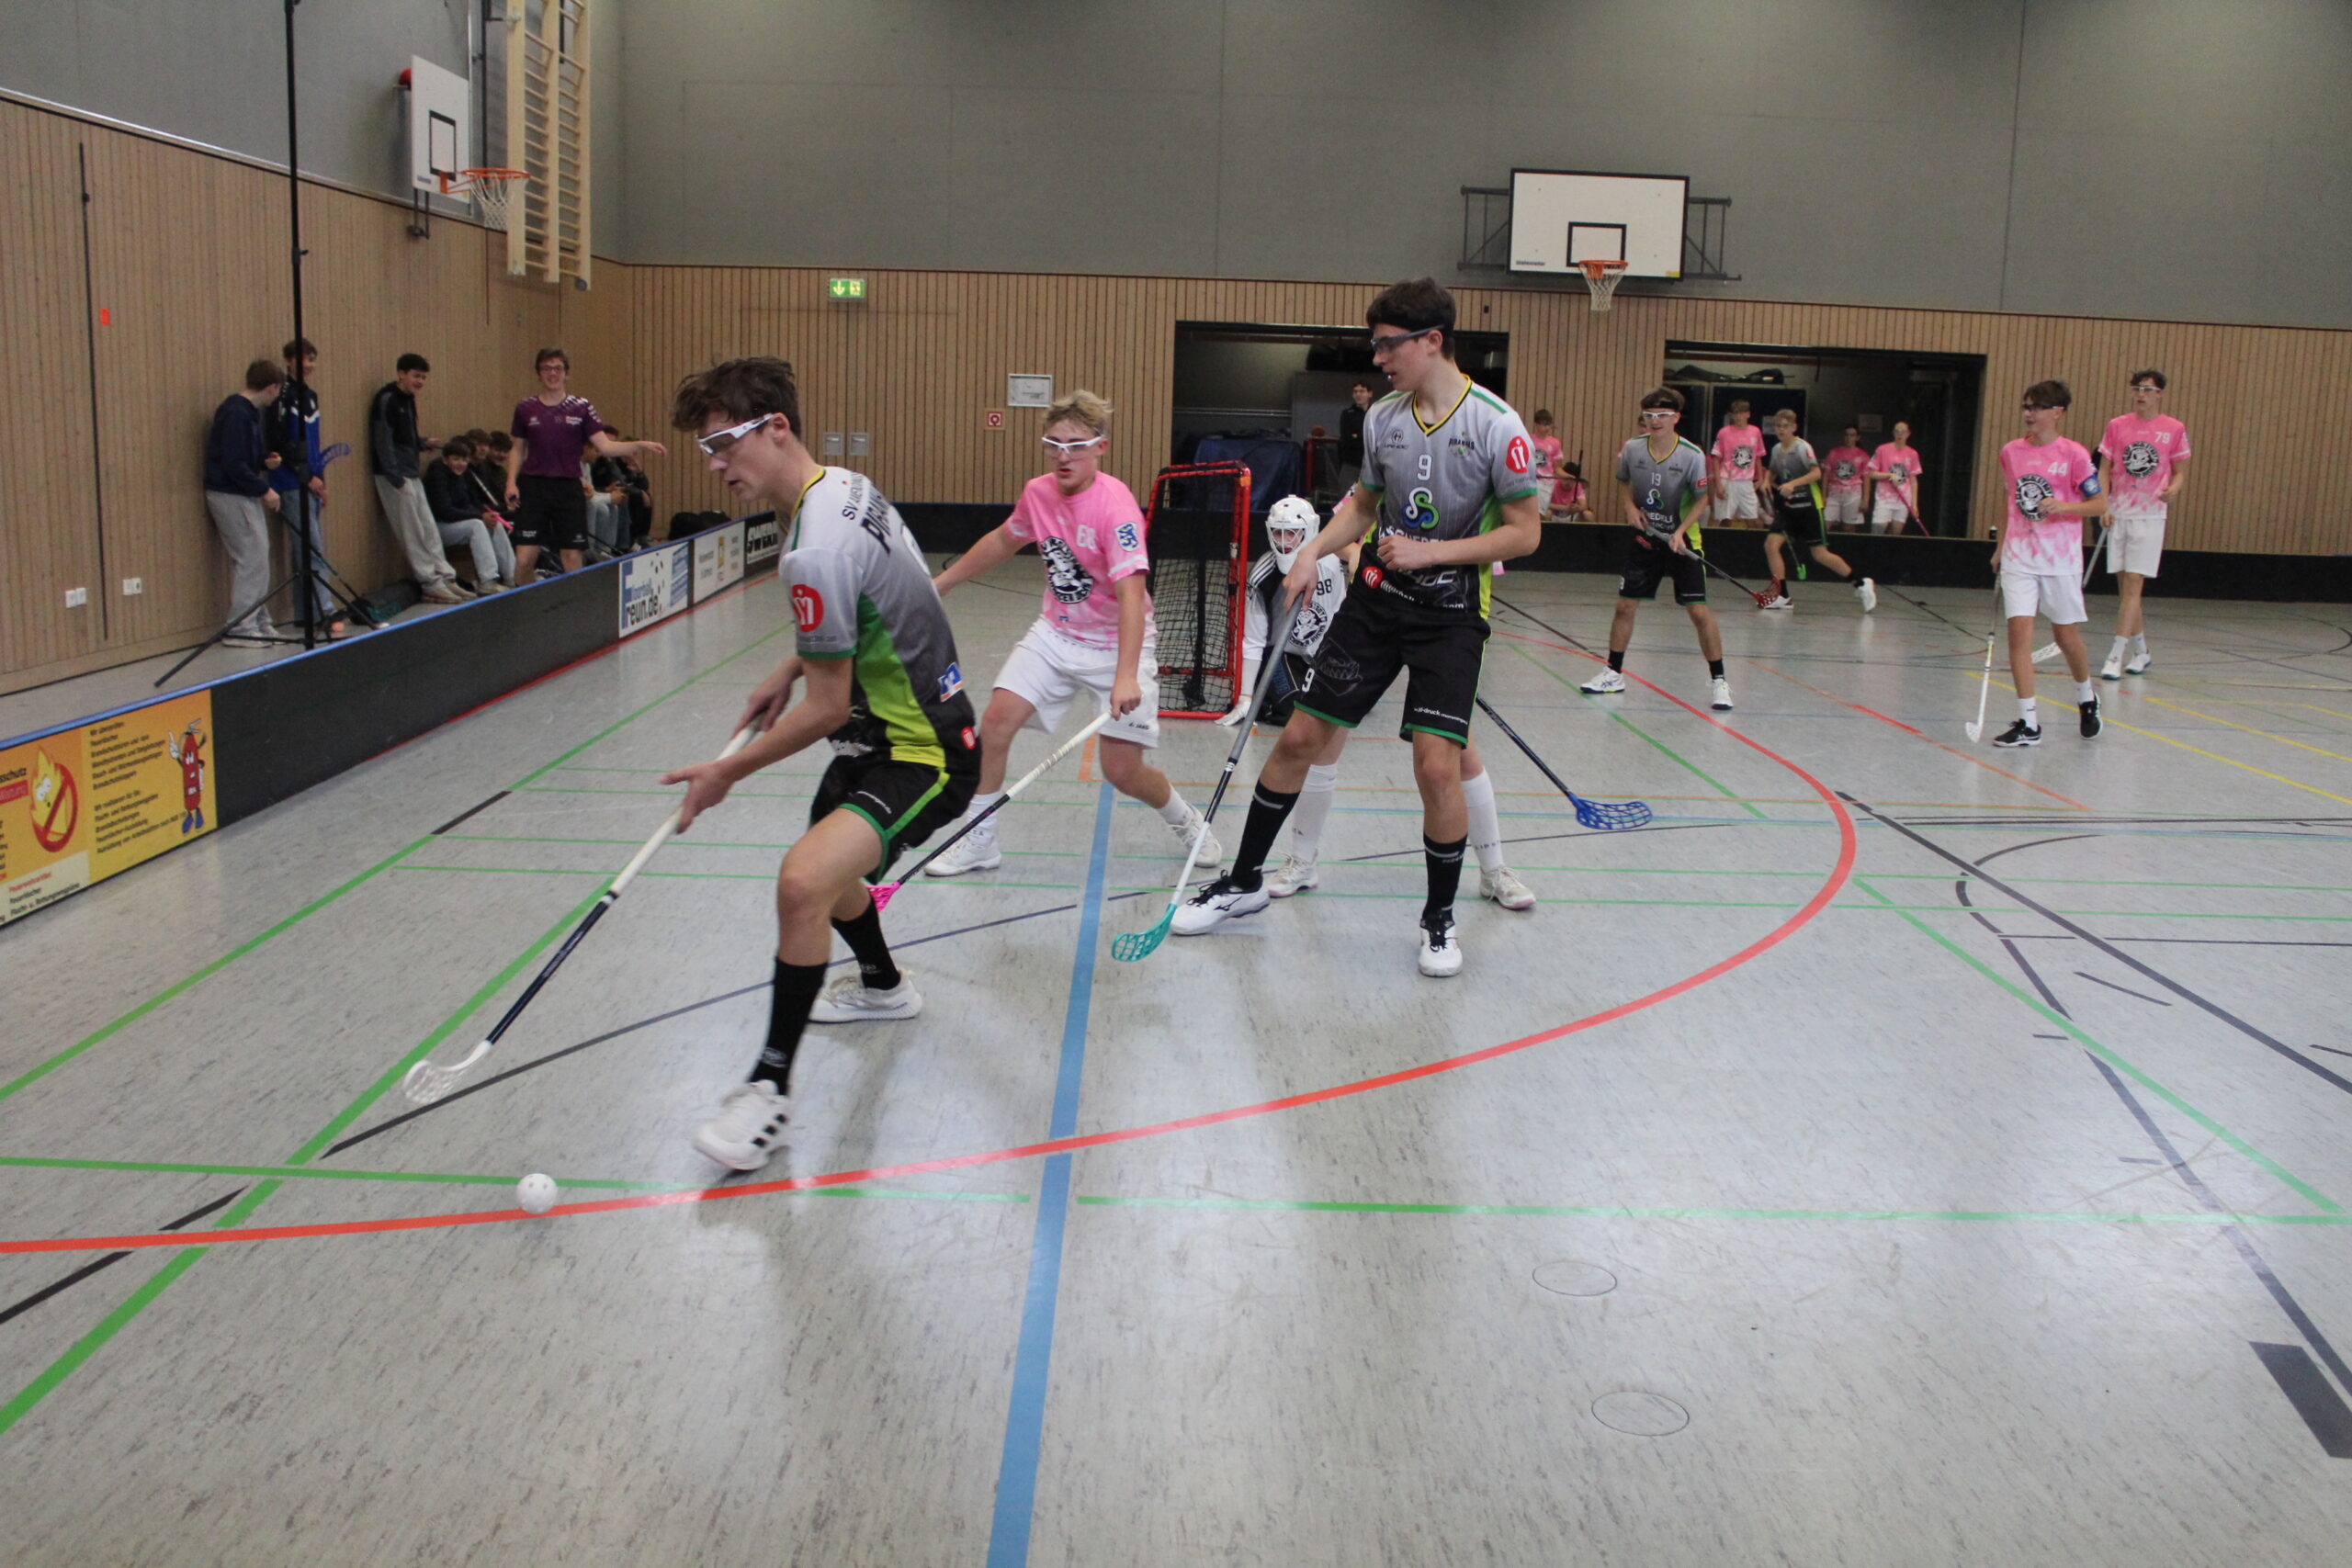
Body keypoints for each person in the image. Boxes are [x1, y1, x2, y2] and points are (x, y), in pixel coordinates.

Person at [659, 357, 980, 1171]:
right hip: (875, 738)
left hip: (924, 751)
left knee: (803, 882)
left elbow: (828, 707)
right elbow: (874, 606)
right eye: (706, 450)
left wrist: (725, 772)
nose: (716, 464)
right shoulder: (844, 488)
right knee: (833, 884)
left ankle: (767, 1089)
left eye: (724, 443)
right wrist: (790, 664)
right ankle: (884, 986)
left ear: (776, 427)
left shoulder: (813, 546)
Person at [1170, 277, 1543, 976]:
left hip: (1451, 616)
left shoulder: (1497, 426)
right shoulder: (1382, 420)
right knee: (1300, 737)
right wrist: (1311, 552)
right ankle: (1244, 881)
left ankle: (1438, 920)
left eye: (1389, 345)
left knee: (1437, 765)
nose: (1378, 358)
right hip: (1375, 603)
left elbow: (1525, 533)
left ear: (1432, 341)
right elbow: (1364, 508)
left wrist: (1433, 553)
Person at [923, 390, 1219, 877]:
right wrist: (945, 583)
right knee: (994, 725)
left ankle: (1185, 819)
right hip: (1056, 634)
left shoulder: (1115, 508)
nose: (1064, 456)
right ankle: (979, 841)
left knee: (1122, 772)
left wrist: (1126, 675)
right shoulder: (1038, 492)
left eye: (1076, 446)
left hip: (1116, 645)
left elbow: (1131, 597)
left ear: (1100, 447)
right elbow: (1004, 538)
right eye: (1054, 444)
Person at [1225, 497, 1537, 911]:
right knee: (1323, 740)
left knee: (1458, 755)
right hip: (1374, 613)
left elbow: (1507, 541)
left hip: (1443, 621)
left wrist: (1429, 557)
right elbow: (1349, 518)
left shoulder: (1473, 486)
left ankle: (1494, 870)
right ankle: (1302, 860)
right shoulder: (1387, 466)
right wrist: (1355, 552)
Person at [1581, 388, 1734, 711]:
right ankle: (1613, 673)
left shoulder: (1692, 455)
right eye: (1650, 415)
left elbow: (1703, 499)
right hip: (1646, 539)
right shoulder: (1633, 448)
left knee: (1698, 612)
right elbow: (1623, 480)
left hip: (1683, 542)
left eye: (1663, 415)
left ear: (1676, 417)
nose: (1655, 421)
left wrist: (1680, 531)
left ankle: (1719, 681)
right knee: (1625, 606)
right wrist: (1629, 507)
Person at [1991, 379, 2109, 747]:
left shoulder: (2074, 454)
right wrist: (2001, 546)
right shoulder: (2011, 452)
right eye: (2026, 407)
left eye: (2038, 407)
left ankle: (2087, 698)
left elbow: (2099, 504)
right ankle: (2029, 722)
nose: (2029, 414)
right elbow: (2011, 501)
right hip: (2020, 556)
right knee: (2018, 635)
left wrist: (2064, 506)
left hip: (2060, 560)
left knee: (2065, 636)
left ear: (2058, 412)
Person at [507, 348, 667, 580]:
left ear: (566, 373)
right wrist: (511, 482)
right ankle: (523, 599)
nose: (552, 373)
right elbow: (518, 449)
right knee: (524, 560)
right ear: (538, 374)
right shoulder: (525, 408)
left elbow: (605, 446)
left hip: (568, 488)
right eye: (546, 368)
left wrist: (639, 445)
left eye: (558, 368)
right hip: (533, 487)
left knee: (572, 557)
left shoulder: (581, 407)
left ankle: (575, 599)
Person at [2098, 369, 2191, 679]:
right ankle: (2141, 651)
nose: (2141, 394)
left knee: (2135, 582)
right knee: (2126, 587)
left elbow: (2180, 472)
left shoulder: (2173, 429)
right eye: (2137, 388)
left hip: (2150, 515)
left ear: (2159, 394)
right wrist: (2104, 504)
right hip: (2119, 512)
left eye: (2148, 389)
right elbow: (2104, 470)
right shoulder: (2117, 425)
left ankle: (2115, 654)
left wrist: (2174, 489)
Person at [368, 354, 469, 605]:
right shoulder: (387, 399)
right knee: (412, 532)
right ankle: (429, 582)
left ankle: (445, 576)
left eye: (423, 377)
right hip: (395, 476)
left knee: (428, 528)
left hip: (410, 472)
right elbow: (383, 440)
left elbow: (404, 437)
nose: (420, 381)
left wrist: (422, 443)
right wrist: (395, 478)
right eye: (416, 376)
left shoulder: (408, 399)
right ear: (401, 373)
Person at [203, 357, 286, 645]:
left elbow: (242, 455)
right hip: (230, 494)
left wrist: (263, 460)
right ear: (272, 387)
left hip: (241, 492)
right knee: (251, 559)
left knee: (259, 558)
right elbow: (233, 463)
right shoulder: (236, 413)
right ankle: (240, 628)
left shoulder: (247, 413)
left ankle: (258, 620)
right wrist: (264, 489)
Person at [1758, 410, 1875, 612]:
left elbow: (1816, 473)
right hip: (1789, 509)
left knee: (1820, 554)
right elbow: (1774, 471)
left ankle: (1861, 583)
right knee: (1771, 544)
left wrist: (1793, 484)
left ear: (1794, 427)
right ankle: (1783, 595)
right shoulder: (1777, 449)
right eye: (1777, 426)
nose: (1781, 430)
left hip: (1809, 507)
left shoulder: (1802, 448)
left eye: (1785, 426)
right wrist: (1766, 481)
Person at [267, 337, 345, 636]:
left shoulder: (311, 396)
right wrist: (304, 476)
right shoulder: (282, 396)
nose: (309, 365)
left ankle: (305, 613)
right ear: (289, 361)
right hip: (290, 482)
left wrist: (320, 479)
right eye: (304, 359)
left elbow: (314, 444)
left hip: (311, 482)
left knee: (307, 548)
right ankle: (324, 609)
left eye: (312, 359)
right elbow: (280, 443)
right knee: (312, 548)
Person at [422, 437, 514, 592]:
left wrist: (486, 514)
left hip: (455, 524)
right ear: (445, 459)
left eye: (464, 460)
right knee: (476, 525)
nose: (461, 464)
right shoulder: (437, 476)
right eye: (456, 459)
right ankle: (488, 581)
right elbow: (445, 512)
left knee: (494, 522)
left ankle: (511, 576)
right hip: (437, 527)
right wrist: (480, 516)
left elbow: (468, 505)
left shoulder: (460, 476)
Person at [591, 444, 655, 551]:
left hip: (607, 493)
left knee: (643, 495)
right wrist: (609, 461)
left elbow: (643, 486)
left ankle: (641, 536)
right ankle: (624, 544)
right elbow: (618, 482)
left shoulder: (624, 464)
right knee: (631, 497)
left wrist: (639, 472)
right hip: (601, 492)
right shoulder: (606, 462)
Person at [1712, 400, 1766, 527]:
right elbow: (1716, 458)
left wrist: (1760, 478)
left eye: (1741, 413)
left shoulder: (1755, 432)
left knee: (1752, 518)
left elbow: (1758, 456)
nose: (1738, 417)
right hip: (1727, 480)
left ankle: (1751, 540)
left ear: (1748, 414)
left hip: (1747, 481)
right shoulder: (1724, 432)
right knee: (1725, 519)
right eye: (1735, 413)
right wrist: (1718, 484)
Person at [1867, 422, 1925, 534]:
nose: (1900, 434)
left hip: (1903, 499)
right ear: (1893, 433)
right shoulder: (1882, 449)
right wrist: (1889, 475)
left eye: (1903, 431)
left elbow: (1913, 480)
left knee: (1895, 533)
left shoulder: (1913, 454)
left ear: (1908, 434)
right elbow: (1871, 473)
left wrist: (1914, 505)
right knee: (1877, 531)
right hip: (1884, 498)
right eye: (1897, 431)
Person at [1822, 425, 1870, 532]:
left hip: (1853, 495)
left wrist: (1865, 500)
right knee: (1824, 525)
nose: (1848, 438)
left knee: (1849, 527)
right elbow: (1826, 475)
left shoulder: (1863, 455)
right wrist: (1824, 496)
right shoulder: (1834, 453)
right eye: (1846, 435)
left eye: (1852, 435)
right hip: (1834, 493)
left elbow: (1866, 479)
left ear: (1857, 437)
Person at [1335, 379, 1373, 496]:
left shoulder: (1376, 414)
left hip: (1371, 465)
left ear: (1369, 394)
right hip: (1351, 464)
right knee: (1346, 497)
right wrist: (1363, 438)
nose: (1358, 394)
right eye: (1356, 391)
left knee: (1370, 498)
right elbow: (1347, 439)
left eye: (1362, 391)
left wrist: (1357, 436)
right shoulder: (1347, 414)